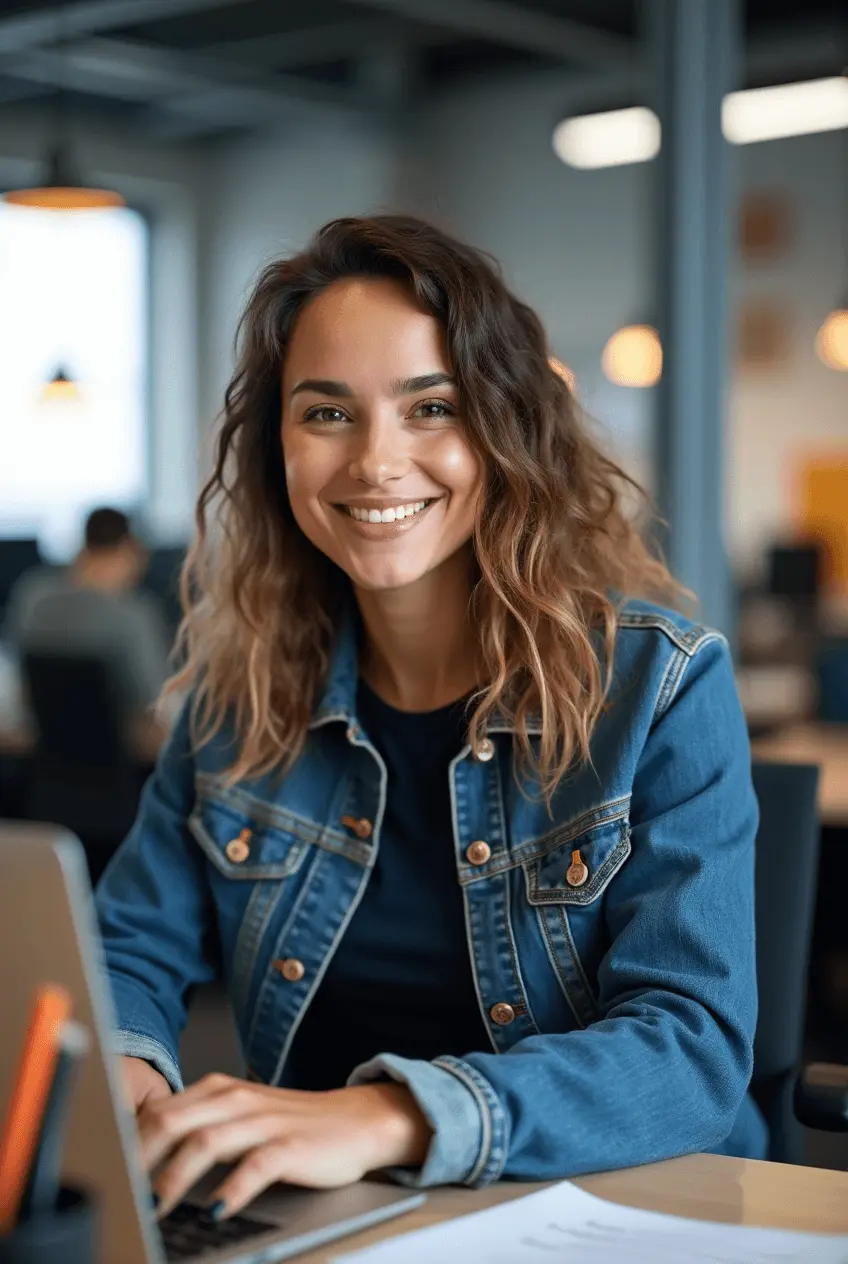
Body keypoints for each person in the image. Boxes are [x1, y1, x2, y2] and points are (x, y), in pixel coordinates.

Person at [95, 215, 766, 1223]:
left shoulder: (657, 686)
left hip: (619, 1213)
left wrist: (389, 1115)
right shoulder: (235, 704)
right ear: (275, 442)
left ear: (503, 433)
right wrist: (128, 1068)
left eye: (430, 408)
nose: (374, 462)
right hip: (331, 1216)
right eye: (325, 413)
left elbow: (690, 1050)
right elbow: (125, 952)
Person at [4, 507, 171, 720]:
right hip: (118, 746)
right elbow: (154, 696)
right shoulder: (132, 614)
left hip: (45, 744)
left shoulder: (32, 596)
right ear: (131, 550)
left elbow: (18, 675)